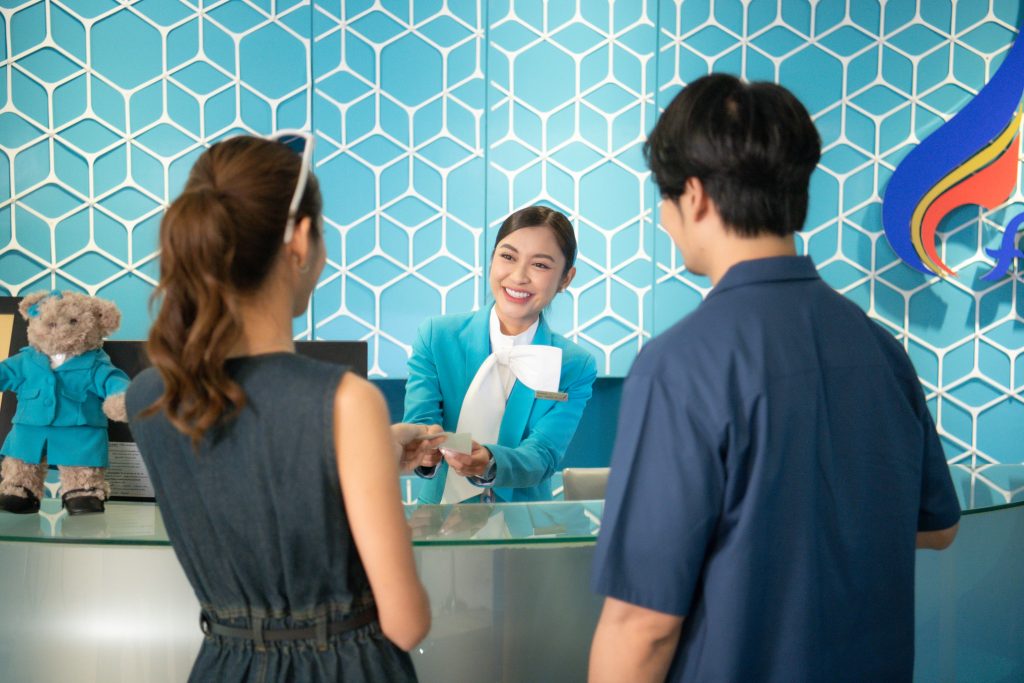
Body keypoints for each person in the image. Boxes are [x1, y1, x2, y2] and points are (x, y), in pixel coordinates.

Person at [589, 74, 961, 682]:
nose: (662, 218)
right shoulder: (880, 350)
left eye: (664, 196)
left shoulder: (680, 365)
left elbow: (641, 622)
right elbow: (939, 528)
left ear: (696, 197)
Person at [126, 134, 439, 682]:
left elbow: (248, 475)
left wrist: (373, 455)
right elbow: (407, 622)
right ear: (301, 240)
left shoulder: (152, 395)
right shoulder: (346, 401)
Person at [403, 205, 598, 504]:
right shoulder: (436, 337)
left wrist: (490, 463)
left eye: (541, 265)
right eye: (508, 257)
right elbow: (421, 421)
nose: (519, 276)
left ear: (565, 279)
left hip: (526, 526)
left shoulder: (574, 364)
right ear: (492, 259)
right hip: (439, 521)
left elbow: (544, 453)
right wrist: (424, 447)